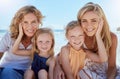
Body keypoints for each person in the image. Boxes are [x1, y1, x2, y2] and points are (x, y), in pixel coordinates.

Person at [55, 2, 118, 79]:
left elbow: (111, 66)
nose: (89, 25)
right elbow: (60, 55)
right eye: (84, 21)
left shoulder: (112, 37)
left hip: (107, 71)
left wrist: (98, 36)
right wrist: (58, 67)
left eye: (94, 20)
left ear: (101, 21)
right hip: (86, 71)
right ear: (80, 22)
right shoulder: (80, 36)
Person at [0, 5, 43, 79]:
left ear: (38, 22)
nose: (30, 26)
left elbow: (49, 55)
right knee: (8, 71)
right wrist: (20, 35)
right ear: (19, 23)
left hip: (22, 73)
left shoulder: (40, 40)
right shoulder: (10, 36)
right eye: (25, 22)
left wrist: (58, 66)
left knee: (9, 73)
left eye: (33, 22)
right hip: (4, 69)